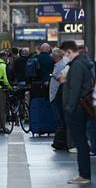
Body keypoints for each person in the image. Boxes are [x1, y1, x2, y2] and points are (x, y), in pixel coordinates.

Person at [60, 40, 93, 184]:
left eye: (63, 54)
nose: (63, 57)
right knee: (81, 142)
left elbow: (75, 89)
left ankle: (84, 175)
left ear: (69, 51)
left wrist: (69, 108)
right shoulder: (80, 64)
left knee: (80, 142)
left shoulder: (77, 66)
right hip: (81, 107)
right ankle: (84, 174)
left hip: (77, 109)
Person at [49, 48, 69, 150]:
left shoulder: (61, 65)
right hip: (55, 94)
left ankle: (61, 141)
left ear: (56, 56)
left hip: (57, 94)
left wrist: (53, 76)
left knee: (60, 119)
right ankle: (60, 141)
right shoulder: (58, 64)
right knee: (59, 119)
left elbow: (60, 79)